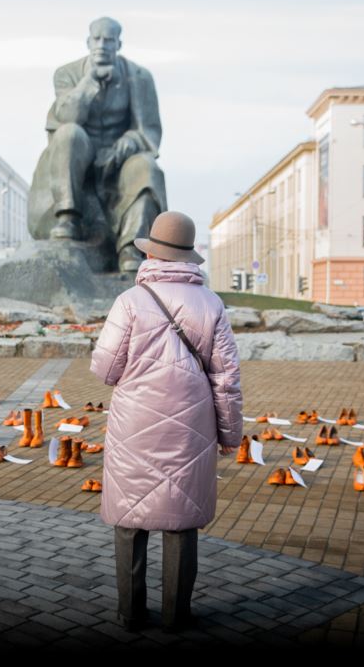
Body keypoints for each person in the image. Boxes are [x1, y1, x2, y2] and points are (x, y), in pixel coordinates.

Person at [89, 210, 243, 633]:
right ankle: (177, 615)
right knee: (181, 521)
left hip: (134, 424)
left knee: (129, 519)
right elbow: (226, 379)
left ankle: (131, 613)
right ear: (189, 257)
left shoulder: (130, 301)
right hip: (191, 426)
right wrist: (231, 433)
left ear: (151, 253)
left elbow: (105, 370)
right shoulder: (211, 304)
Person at [27, 16, 168, 272]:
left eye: (109, 40)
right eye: (97, 39)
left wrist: (128, 142)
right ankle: (68, 218)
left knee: (147, 168)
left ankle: (130, 247)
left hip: (121, 160)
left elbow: (148, 130)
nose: (102, 45)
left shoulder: (140, 77)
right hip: (78, 155)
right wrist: (89, 82)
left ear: (118, 44)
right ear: (88, 42)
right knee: (68, 133)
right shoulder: (66, 74)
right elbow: (67, 116)